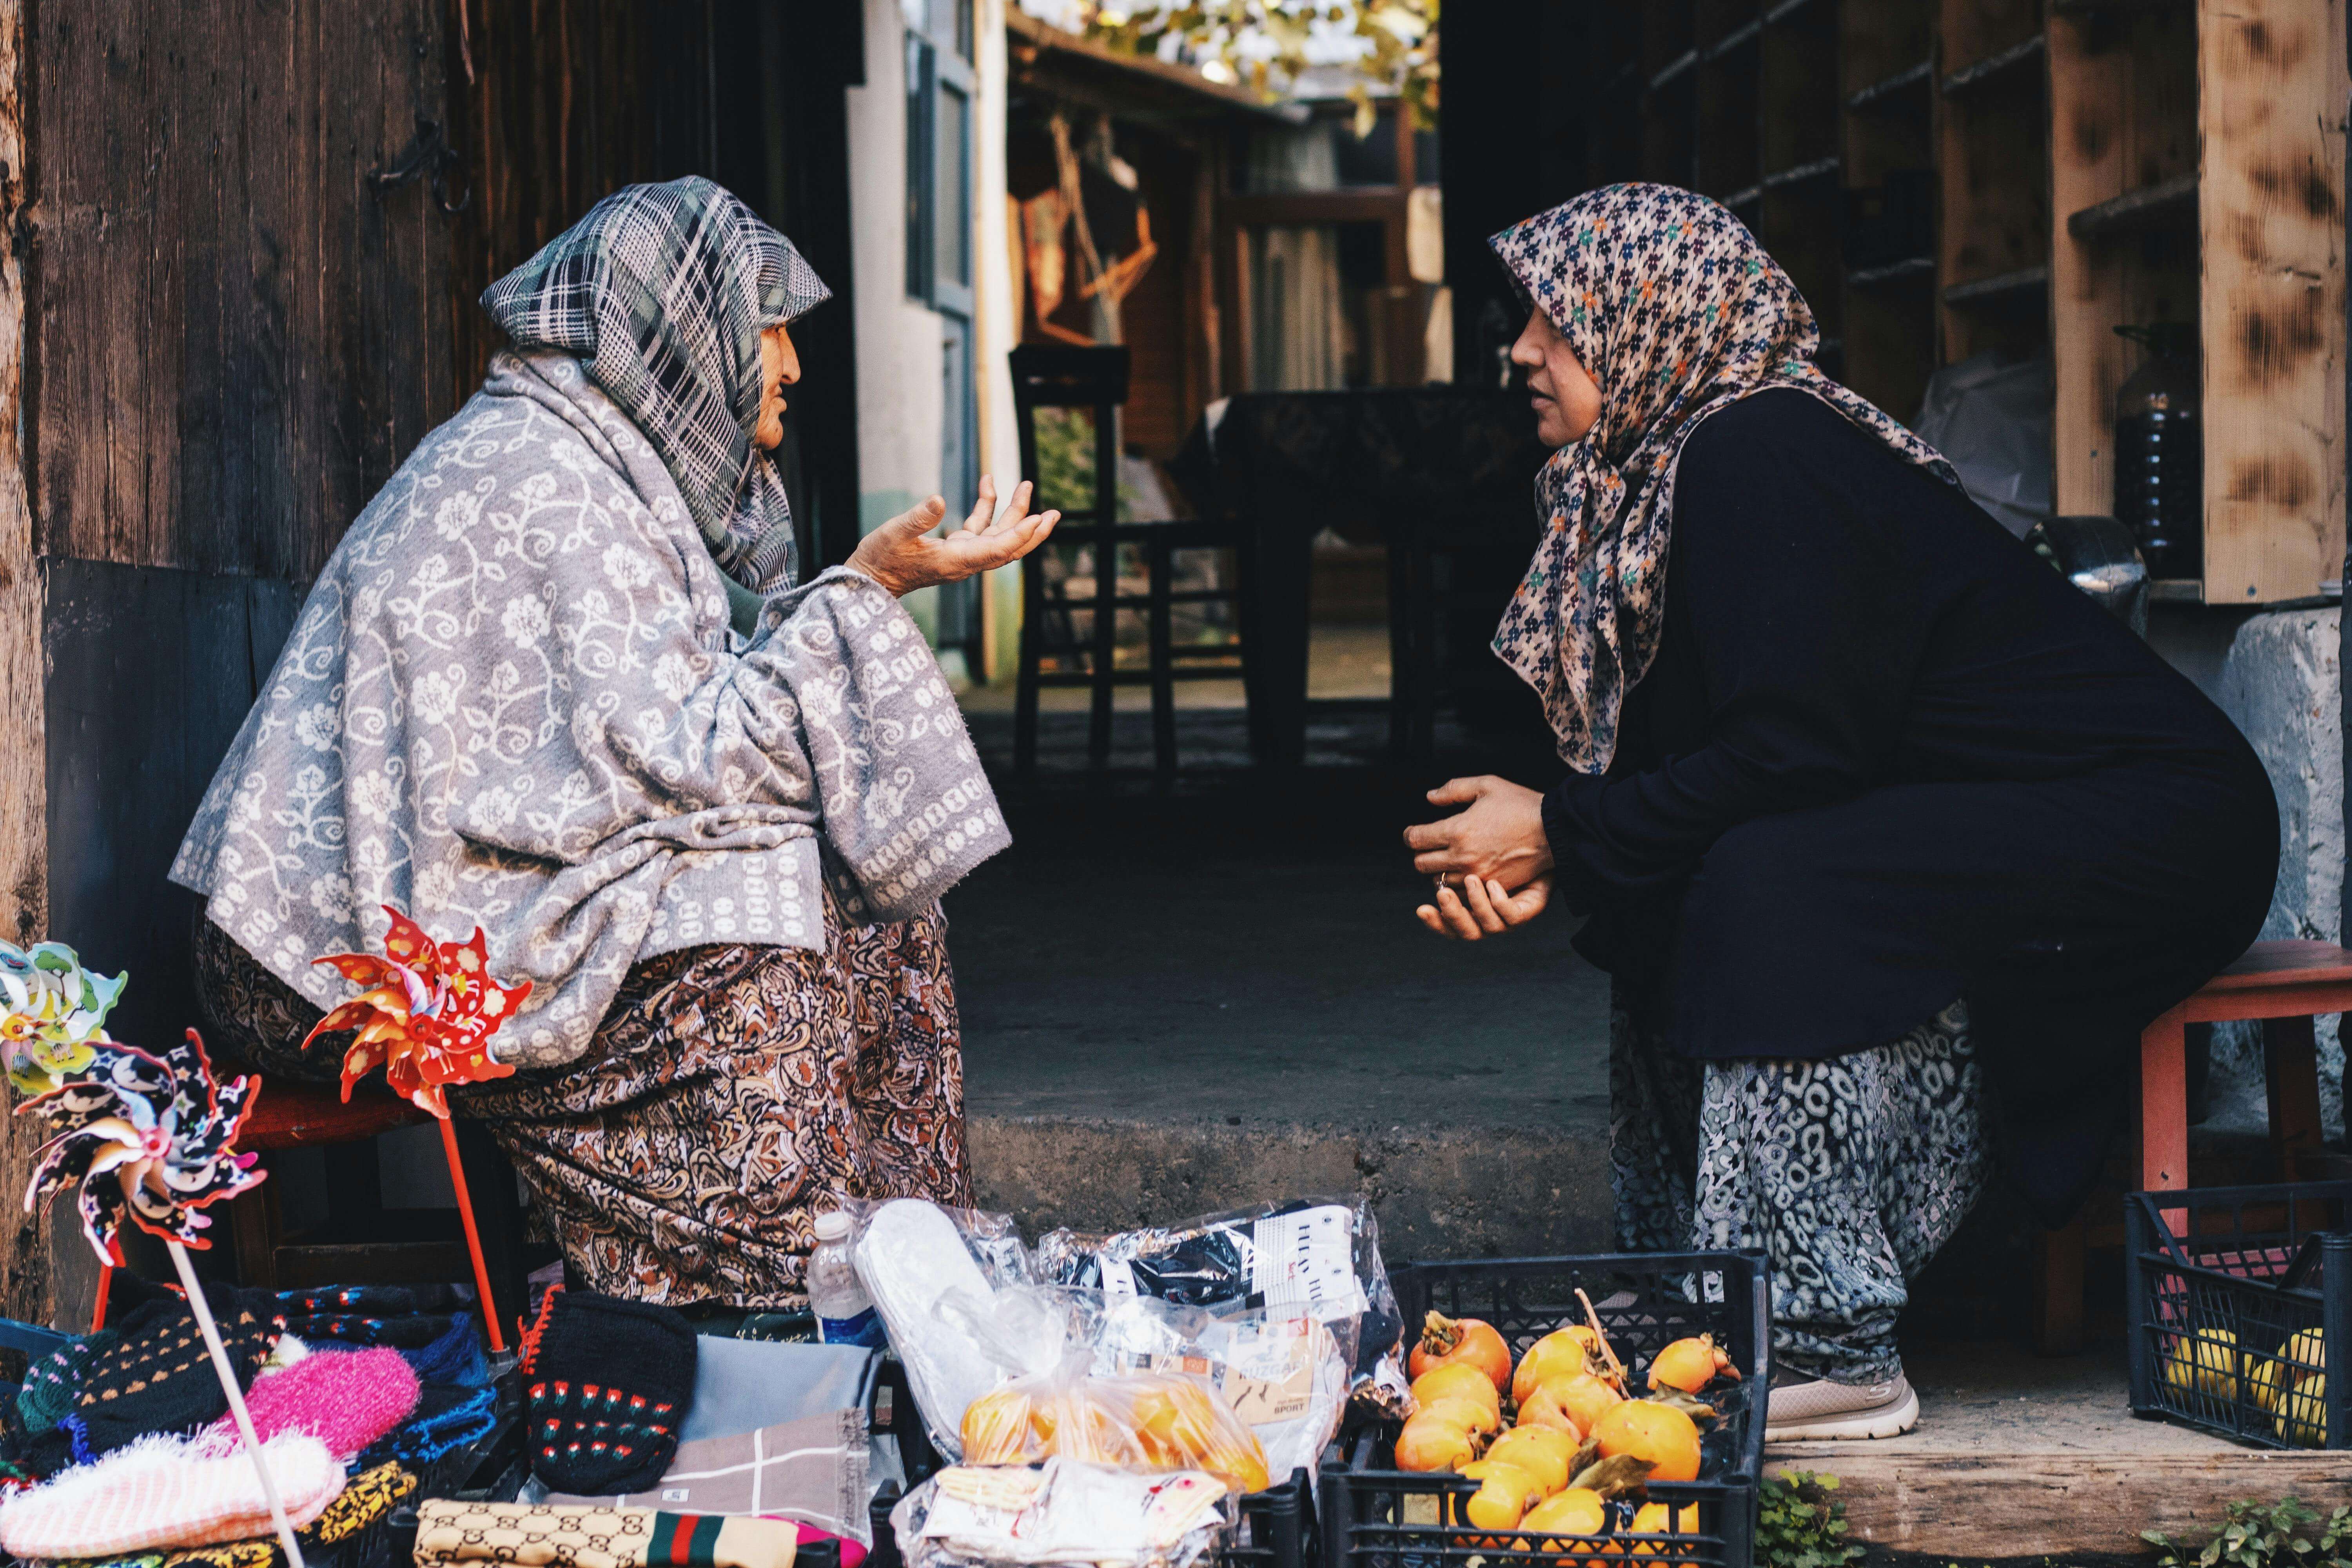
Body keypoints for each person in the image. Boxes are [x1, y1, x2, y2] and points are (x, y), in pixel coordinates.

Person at [1402, 184, 2277, 1440]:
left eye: (1557, 319)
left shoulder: (1760, 450)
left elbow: (1796, 755)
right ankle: (1695, 1311)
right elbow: (1746, 757)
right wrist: (1575, 850)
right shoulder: (1661, 477)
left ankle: (1820, 1339)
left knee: (1779, 884)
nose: (1524, 350)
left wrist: (1566, 827)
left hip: (2151, 823)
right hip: (2009, 814)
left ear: (1655, 316)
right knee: (1700, 882)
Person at [172, 178, 1058, 1309]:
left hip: (468, 901)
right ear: (677, 333)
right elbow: (689, 761)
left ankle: (899, 1267)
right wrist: (863, 592)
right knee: (752, 955)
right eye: (768, 325)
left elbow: (678, 734)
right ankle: (776, 1281)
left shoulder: (597, 462)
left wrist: (855, 592)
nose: (788, 363)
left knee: (872, 910)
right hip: (315, 960)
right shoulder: (541, 479)